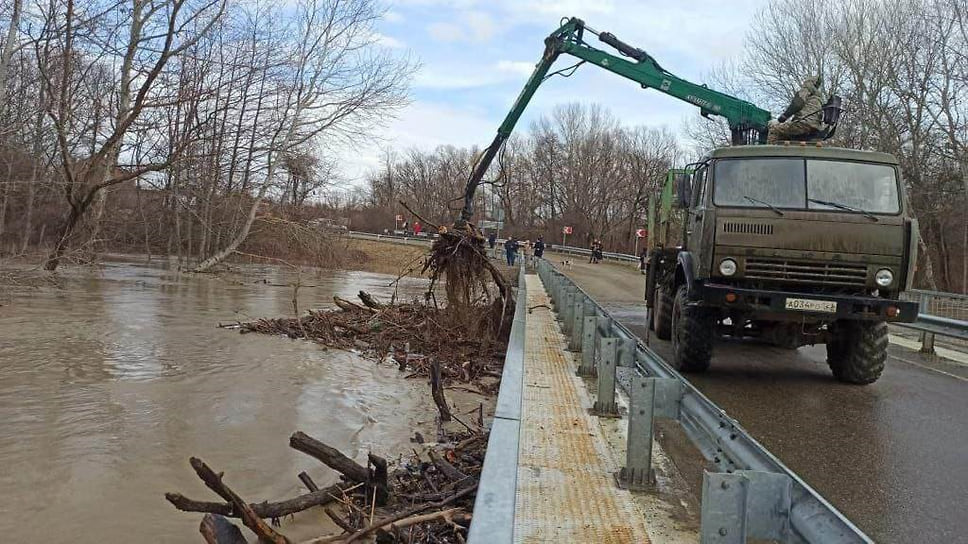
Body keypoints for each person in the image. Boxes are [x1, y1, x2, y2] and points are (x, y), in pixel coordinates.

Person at [768, 75, 824, 143]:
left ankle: (770, 152)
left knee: (774, 129)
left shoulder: (806, 90)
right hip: (815, 129)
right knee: (786, 132)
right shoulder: (819, 97)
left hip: (801, 125)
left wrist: (782, 118)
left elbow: (797, 105)